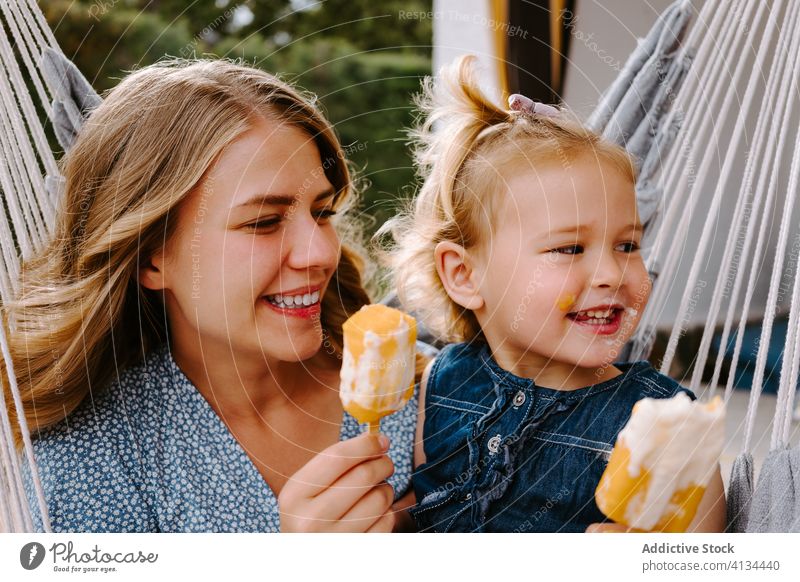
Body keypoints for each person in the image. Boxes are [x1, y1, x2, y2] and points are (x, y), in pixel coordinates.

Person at [6, 59, 427, 532]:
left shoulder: (436, 388)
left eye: (323, 211)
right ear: (150, 257)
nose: (320, 251)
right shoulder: (85, 467)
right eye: (263, 222)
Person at [382, 55, 727, 533]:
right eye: (569, 247)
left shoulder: (667, 426)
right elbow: (429, 506)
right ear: (464, 275)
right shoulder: (443, 382)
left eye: (628, 244)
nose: (610, 272)